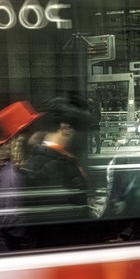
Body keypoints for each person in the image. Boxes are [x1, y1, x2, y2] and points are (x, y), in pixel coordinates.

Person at [26, 96, 91, 248]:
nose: (85, 136)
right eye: (82, 130)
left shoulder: (54, 159)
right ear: (66, 128)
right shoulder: (52, 164)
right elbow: (62, 219)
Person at [0, 101, 43, 253]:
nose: (39, 133)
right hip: (9, 250)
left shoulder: (9, 168)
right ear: (23, 135)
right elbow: (12, 221)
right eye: (34, 128)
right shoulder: (11, 173)